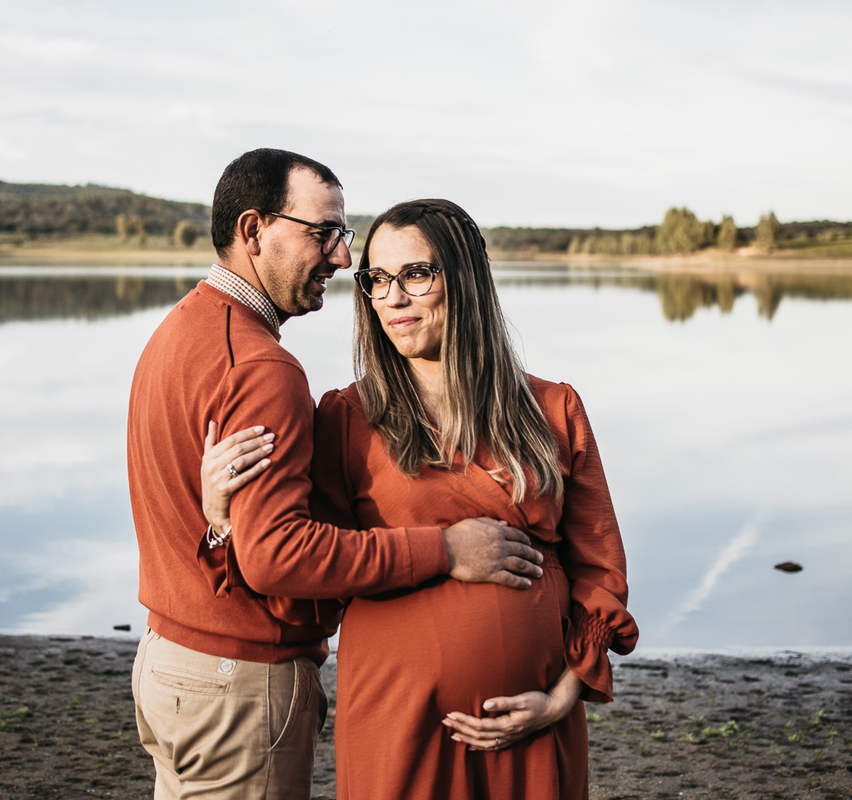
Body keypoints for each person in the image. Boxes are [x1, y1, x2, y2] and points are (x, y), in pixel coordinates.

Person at [127, 151, 547, 800]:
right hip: (236, 680)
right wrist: (443, 548)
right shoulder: (262, 369)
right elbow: (276, 556)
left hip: (170, 663)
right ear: (253, 230)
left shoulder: (178, 331)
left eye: (342, 236)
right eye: (322, 233)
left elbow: (211, 527)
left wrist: (217, 524)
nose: (341, 258)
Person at [201, 198, 638, 799]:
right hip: (398, 724)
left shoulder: (554, 410)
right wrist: (225, 520)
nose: (393, 299)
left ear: (465, 280)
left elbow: (600, 567)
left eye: (416, 274)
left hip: (535, 726)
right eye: (377, 280)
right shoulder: (349, 419)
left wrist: (563, 697)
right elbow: (299, 584)